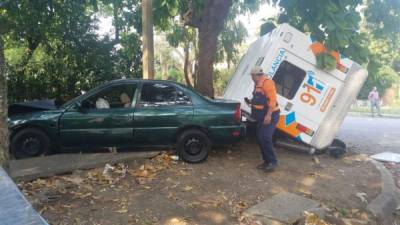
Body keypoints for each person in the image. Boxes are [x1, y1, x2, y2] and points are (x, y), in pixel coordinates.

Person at [245, 66, 280, 172]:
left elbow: (272, 101)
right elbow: (259, 100)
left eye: (252, 76)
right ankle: (266, 161)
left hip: (270, 115)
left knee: (265, 138)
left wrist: (268, 115)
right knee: (260, 138)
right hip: (261, 116)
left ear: (256, 75)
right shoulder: (257, 85)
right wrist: (251, 102)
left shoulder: (267, 83)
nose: (251, 77)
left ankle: (273, 162)